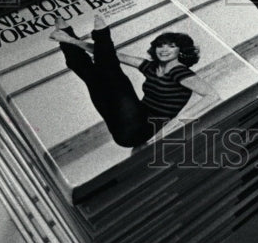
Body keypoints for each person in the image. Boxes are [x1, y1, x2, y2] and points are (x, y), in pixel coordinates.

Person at [51, 15, 217, 147]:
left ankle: (100, 34)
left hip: (143, 128)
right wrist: (72, 41)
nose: (164, 50)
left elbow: (212, 95)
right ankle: (67, 34)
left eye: (171, 46)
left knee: (110, 72)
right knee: (91, 75)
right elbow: (111, 55)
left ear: (180, 51)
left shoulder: (180, 72)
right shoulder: (151, 67)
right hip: (123, 130)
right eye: (160, 46)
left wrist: (174, 125)